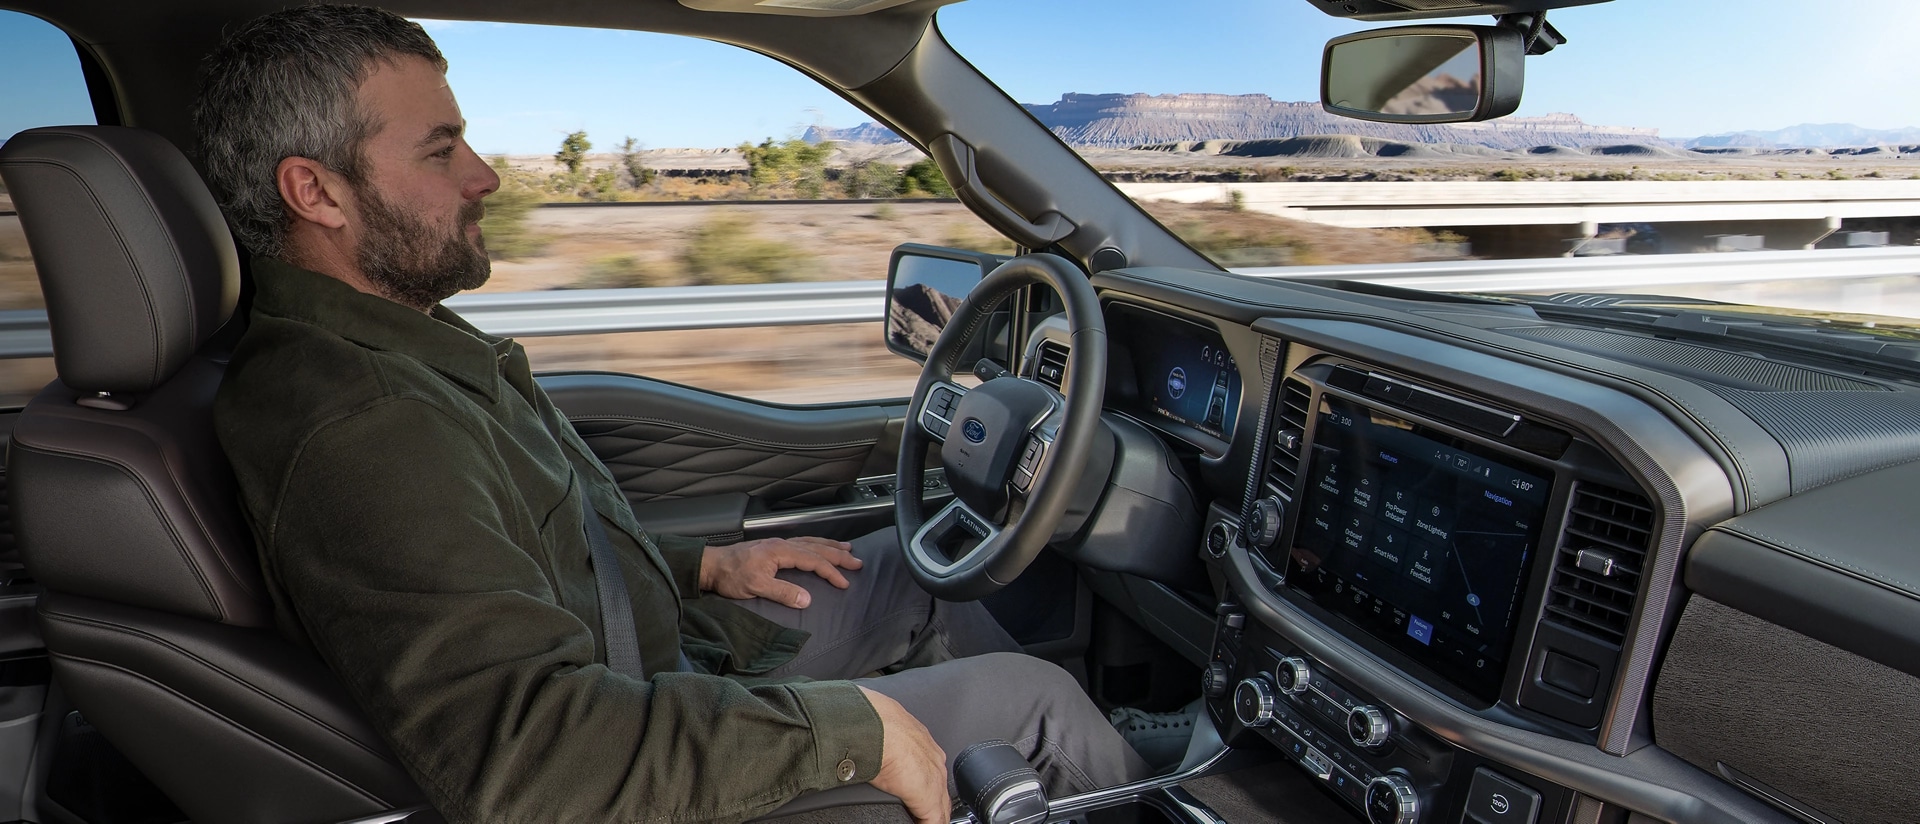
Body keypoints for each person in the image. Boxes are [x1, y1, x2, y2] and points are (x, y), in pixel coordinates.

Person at [195, 5, 1153, 823]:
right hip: (642, 731)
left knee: (918, 572)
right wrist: (852, 734)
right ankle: (1112, 773)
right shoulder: (361, 425)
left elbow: (507, 554)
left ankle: (1070, 761)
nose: (483, 176)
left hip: (665, 663)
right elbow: (527, 752)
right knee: (1038, 703)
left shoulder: (389, 348)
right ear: (314, 191)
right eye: (441, 151)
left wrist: (699, 566)